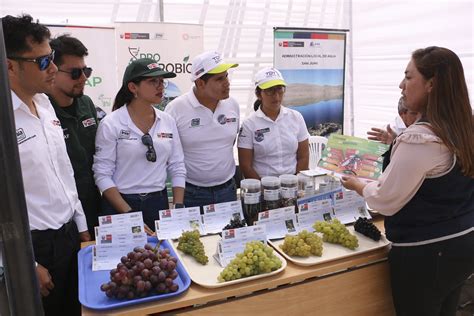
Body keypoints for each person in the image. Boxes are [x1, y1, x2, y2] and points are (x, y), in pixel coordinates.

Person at [341, 46, 474, 316]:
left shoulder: (419, 138)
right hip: (462, 243)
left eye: (408, 77)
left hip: (425, 253)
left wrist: (357, 185)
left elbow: (385, 199)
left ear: (431, 84)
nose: (401, 85)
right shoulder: (462, 126)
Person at [3, 14, 91, 316]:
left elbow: (63, 171)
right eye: (42, 62)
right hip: (32, 250)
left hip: (68, 237)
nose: (53, 68)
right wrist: (23, 264)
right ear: (9, 65)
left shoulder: (43, 102)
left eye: (51, 58)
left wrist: (81, 229)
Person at [93, 58, 186, 231]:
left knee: (160, 256)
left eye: (161, 81)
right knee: (125, 258)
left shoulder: (167, 120)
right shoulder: (111, 123)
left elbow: (177, 166)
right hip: (120, 205)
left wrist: (178, 207)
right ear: (133, 87)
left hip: (158, 203)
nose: (160, 86)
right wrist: (129, 215)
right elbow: (102, 174)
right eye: (152, 81)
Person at [164, 51, 239, 208]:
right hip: (192, 193)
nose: (227, 82)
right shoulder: (176, 109)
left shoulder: (233, 105)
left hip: (227, 190)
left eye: (226, 76)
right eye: (219, 79)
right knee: (193, 234)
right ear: (200, 83)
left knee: (228, 233)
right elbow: (169, 154)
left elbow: (229, 143)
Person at [48, 34, 101, 237]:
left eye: (86, 71)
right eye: (75, 72)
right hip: (62, 216)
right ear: (52, 70)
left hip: (94, 204)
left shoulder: (87, 104)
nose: (84, 78)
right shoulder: (40, 111)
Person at [237, 67, 309, 179]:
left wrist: (296, 183)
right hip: (263, 186)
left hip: (293, 184)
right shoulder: (249, 124)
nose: (276, 96)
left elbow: (304, 156)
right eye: (270, 90)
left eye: (279, 89)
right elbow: (246, 166)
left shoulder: (296, 117)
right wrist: (264, 189)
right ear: (258, 94)